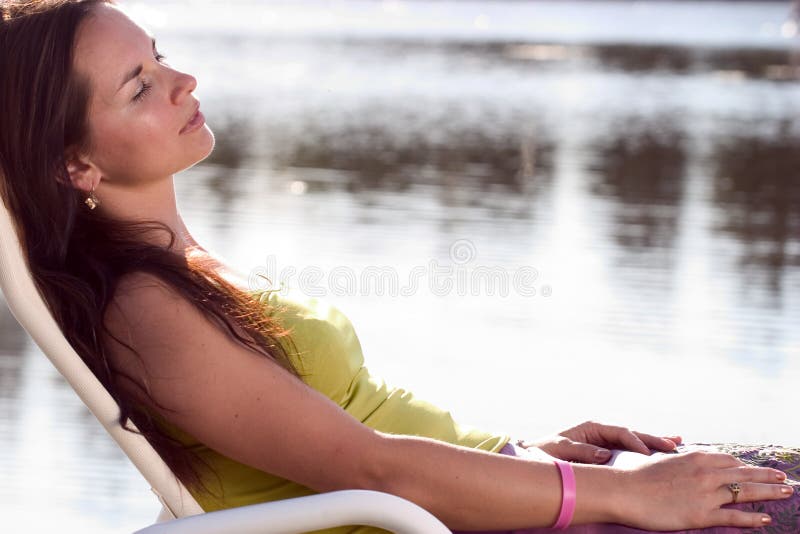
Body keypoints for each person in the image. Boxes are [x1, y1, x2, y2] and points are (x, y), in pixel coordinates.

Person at [0, 1, 797, 532]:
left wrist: (520, 454)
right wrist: (628, 495)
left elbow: (359, 430)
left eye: (160, 56)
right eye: (141, 85)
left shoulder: (181, 268)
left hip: (491, 495)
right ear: (75, 166)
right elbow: (371, 469)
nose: (183, 81)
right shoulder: (144, 312)